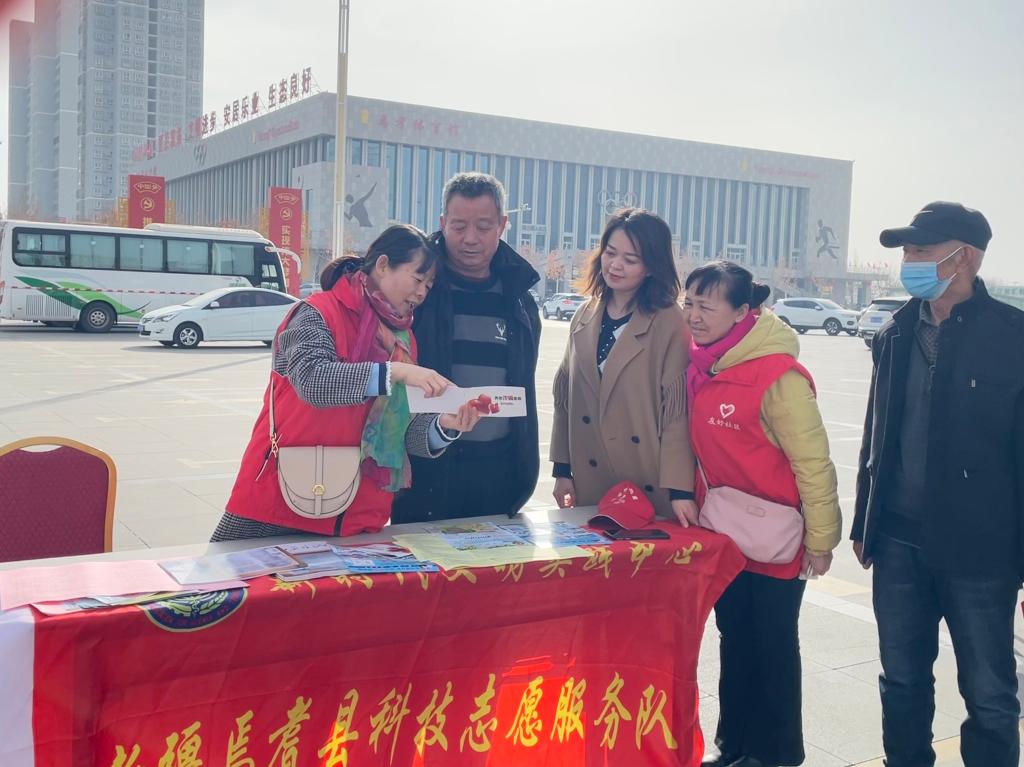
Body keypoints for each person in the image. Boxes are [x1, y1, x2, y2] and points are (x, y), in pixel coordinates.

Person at [853, 201, 1024, 767]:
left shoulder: (1012, 338)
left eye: (922, 251)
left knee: (990, 692)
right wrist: (865, 523)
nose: (910, 262)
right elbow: (876, 435)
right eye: (907, 252)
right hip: (898, 542)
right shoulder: (895, 332)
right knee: (901, 681)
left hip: (982, 549)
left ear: (964, 258)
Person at [212, 225, 482, 541]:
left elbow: (401, 429)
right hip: (280, 501)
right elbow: (312, 380)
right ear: (383, 265)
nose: (422, 292)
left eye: (429, 285)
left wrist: (445, 425)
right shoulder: (317, 312)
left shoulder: (403, 339)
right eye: (418, 279)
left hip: (357, 515)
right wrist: (392, 372)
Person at [683, 261, 841, 767]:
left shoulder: (778, 376)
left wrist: (822, 539)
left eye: (707, 306)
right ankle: (735, 745)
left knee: (773, 646)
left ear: (743, 313)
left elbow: (813, 462)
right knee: (735, 639)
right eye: (689, 303)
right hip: (726, 535)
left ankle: (777, 754)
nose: (694, 316)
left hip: (778, 540)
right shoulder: (701, 365)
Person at [391, 173, 542, 523]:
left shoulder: (519, 299)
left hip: (501, 474)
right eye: (459, 226)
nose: (470, 238)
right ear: (442, 222)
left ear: (502, 225)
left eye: (483, 227)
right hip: (424, 472)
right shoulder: (416, 294)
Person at [548, 208, 696, 521]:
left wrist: (680, 490)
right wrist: (562, 469)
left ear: (652, 266)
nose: (615, 265)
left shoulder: (669, 321)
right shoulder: (585, 314)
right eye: (610, 253)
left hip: (646, 479)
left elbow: (677, 413)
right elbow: (565, 400)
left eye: (631, 259)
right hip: (590, 478)